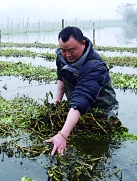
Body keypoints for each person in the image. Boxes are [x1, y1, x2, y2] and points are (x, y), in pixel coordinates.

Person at [45, 26, 119, 155]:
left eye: (71, 50)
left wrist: (63, 134)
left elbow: (83, 98)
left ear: (83, 44)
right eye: (63, 50)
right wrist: (58, 98)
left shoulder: (94, 66)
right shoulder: (62, 57)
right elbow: (61, 76)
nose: (67, 55)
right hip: (76, 108)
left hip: (101, 111)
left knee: (96, 147)